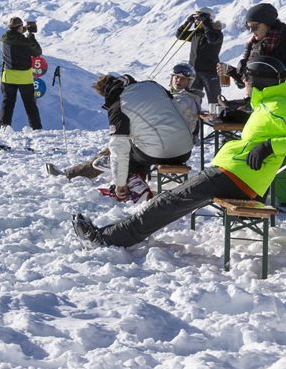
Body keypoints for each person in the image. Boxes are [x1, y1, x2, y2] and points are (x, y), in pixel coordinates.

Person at [73, 55, 286, 249]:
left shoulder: (277, 106)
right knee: (169, 201)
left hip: (238, 175)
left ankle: (107, 239)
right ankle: (113, 234)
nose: (244, 84)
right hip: (234, 172)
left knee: (168, 202)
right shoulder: (268, 103)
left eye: (246, 79)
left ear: (259, 79)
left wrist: (269, 146)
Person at [47, 71, 198, 201]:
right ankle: (136, 182)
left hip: (160, 151)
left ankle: (133, 187)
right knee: (139, 145)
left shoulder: (118, 106)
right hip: (185, 149)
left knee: (120, 150)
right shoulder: (152, 86)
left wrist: (119, 184)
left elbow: (119, 148)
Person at [218, 3, 286, 101]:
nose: (251, 31)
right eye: (248, 27)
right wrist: (232, 71)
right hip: (259, 100)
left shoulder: (283, 41)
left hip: (280, 101)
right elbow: (248, 80)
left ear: (268, 23)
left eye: (254, 27)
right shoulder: (254, 44)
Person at [0, 16, 43, 131]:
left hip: (8, 76)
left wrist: (23, 30)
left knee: (8, 103)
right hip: (24, 77)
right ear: (19, 27)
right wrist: (31, 35)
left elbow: (14, 36)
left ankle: (4, 127)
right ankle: (36, 128)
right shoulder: (25, 41)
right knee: (30, 104)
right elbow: (37, 52)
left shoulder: (4, 39)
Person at [177, 10, 224, 107]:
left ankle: (218, 119)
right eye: (196, 19)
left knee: (215, 101)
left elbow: (212, 39)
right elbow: (180, 35)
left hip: (210, 73)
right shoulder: (196, 33)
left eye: (200, 18)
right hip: (194, 72)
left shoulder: (217, 33)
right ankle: (193, 119)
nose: (197, 21)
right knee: (191, 100)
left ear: (208, 19)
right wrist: (188, 22)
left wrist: (206, 23)